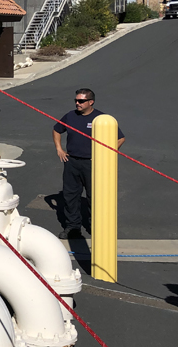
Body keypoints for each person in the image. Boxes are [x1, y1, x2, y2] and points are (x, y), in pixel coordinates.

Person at [52, 88, 125, 239]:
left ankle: (96, 228)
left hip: (92, 164)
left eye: (81, 101)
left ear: (91, 102)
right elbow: (57, 129)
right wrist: (59, 149)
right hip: (71, 162)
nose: (77, 103)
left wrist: (104, 155)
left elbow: (120, 138)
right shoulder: (70, 116)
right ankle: (73, 228)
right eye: (76, 100)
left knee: (95, 197)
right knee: (70, 196)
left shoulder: (102, 119)